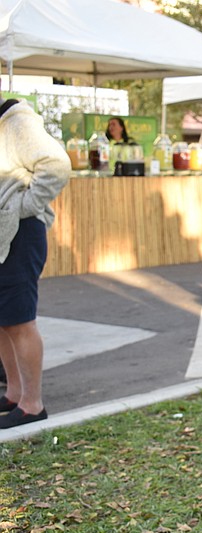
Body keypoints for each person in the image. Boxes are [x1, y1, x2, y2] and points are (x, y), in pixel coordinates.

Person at [0, 91, 72, 428]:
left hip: (20, 233)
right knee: (3, 320)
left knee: (19, 319)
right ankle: (14, 394)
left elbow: (56, 165)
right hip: (5, 235)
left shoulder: (16, 120)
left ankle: (32, 404)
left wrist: (23, 207)